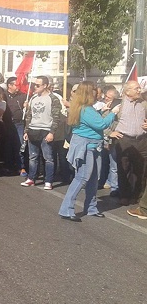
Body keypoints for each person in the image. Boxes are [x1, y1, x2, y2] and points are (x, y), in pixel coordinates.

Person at [59, 81, 119, 221]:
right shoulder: (85, 109)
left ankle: (91, 207)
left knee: (93, 179)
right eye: (94, 90)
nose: (97, 93)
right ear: (88, 92)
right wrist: (113, 113)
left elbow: (95, 120)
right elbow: (101, 124)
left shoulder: (86, 108)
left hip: (93, 145)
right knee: (82, 178)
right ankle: (66, 209)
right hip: (86, 146)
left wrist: (102, 111)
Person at [109, 81, 147, 208]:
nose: (139, 90)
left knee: (140, 169)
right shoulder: (118, 104)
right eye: (136, 88)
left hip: (141, 140)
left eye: (139, 88)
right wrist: (110, 132)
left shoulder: (144, 104)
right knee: (124, 168)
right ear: (127, 91)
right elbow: (103, 117)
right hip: (124, 140)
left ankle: (136, 196)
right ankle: (124, 195)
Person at [21, 76, 62, 190]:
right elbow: (29, 115)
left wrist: (52, 132)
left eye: (38, 85)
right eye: (35, 84)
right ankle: (31, 178)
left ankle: (48, 181)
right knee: (32, 157)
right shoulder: (33, 98)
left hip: (46, 130)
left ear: (45, 86)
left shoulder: (53, 99)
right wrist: (26, 131)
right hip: (33, 130)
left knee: (48, 158)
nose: (35, 87)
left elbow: (56, 117)